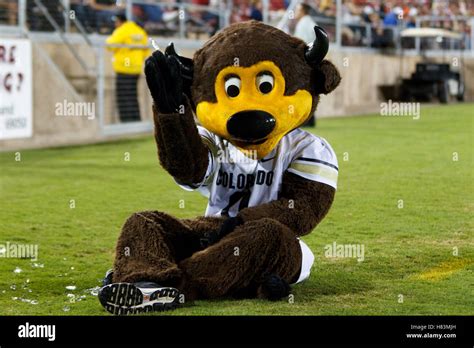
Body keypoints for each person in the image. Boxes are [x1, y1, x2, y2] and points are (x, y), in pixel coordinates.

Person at [106, 14, 150, 123]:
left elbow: (110, 45)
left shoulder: (122, 30)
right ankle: (136, 120)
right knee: (133, 96)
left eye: (116, 22)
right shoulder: (140, 31)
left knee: (123, 98)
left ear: (120, 21)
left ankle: (126, 122)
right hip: (136, 69)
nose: (115, 24)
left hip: (123, 69)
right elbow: (146, 51)